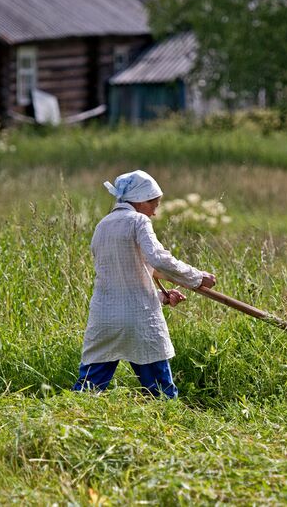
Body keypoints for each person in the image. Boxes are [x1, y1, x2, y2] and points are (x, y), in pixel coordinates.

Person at [73, 170, 216, 399]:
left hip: (104, 319)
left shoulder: (102, 225)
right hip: (139, 318)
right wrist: (198, 278)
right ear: (141, 201)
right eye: (154, 204)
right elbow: (158, 258)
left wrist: (160, 297)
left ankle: (68, 422)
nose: (155, 212)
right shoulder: (139, 221)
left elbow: (124, 274)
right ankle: (167, 430)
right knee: (161, 393)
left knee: (88, 389)